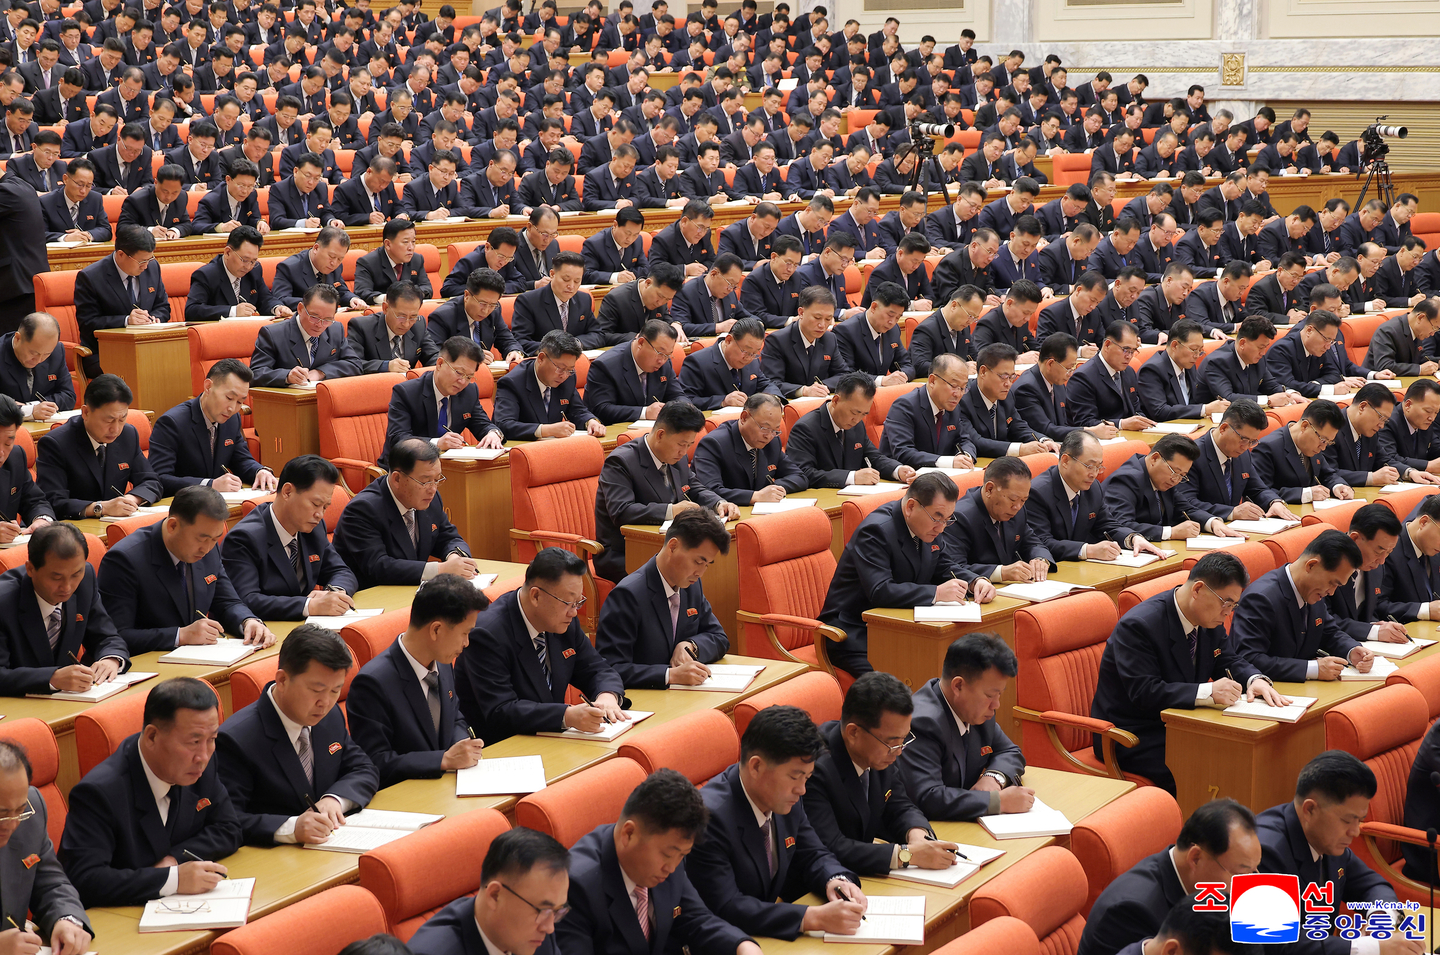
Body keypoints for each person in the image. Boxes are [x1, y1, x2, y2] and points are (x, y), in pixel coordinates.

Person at [1091, 552, 1285, 793]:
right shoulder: (1140, 626)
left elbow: (1227, 658)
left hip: (1182, 723)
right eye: (1226, 603)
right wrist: (1209, 692)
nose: (1228, 613)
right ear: (1198, 589)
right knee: (1207, 764)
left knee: (1244, 751)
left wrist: (1254, 679)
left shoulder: (1208, 619)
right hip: (1134, 734)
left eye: (1234, 605)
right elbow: (1145, 692)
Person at [688, 705, 866, 940]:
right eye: (794, 777)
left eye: (807, 777)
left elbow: (813, 853)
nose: (802, 789)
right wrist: (811, 918)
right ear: (756, 766)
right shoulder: (710, 818)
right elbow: (726, 905)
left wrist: (835, 880)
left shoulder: (784, 798)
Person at [59, 676, 240, 906]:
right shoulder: (99, 792)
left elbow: (229, 828)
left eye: (212, 739)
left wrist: (175, 860)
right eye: (193, 742)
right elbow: (84, 879)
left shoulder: (201, 764)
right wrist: (172, 880)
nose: (203, 756)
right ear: (152, 736)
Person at [559, 768, 760, 955]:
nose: (671, 868)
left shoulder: (671, 857)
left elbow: (695, 919)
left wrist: (743, 946)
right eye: (667, 854)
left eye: (682, 855)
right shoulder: (574, 887)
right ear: (629, 834)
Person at [216, 623, 379, 846]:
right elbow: (227, 821)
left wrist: (334, 800)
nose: (326, 702)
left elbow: (363, 768)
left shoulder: (329, 716)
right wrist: (291, 828)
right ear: (282, 680)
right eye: (317, 690)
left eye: (335, 690)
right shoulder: (236, 740)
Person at [456, 547, 627, 742]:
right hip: (503, 746)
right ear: (536, 596)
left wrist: (607, 696)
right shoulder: (487, 635)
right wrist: (566, 716)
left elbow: (597, 669)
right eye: (568, 602)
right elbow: (501, 710)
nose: (574, 612)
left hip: (551, 738)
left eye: (578, 602)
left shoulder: (563, 622)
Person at [803, 672, 958, 875]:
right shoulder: (814, 769)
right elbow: (831, 847)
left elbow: (899, 805)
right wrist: (906, 855)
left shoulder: (879, 753)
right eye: (892, 743)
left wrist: (917, 834)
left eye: (904, 739)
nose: (899, 751)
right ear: (853, 733)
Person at [819, 472, 971, 678]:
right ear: (911, 507)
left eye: (947, 519)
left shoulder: (928, 528)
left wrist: (975, 581)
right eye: (937, 517)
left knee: (951, 662)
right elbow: (880, 590)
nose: (942, 527)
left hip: (898, 624)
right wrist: (936, 593)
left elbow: (943, 565)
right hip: (853, 632)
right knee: (898, 682)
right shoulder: (876, 531)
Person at [1256, 750, 1404, 955]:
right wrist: (1370, 948)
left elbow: (1372, 884)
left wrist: (1380, 917)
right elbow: (1274, 943)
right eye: (1347, 820)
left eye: (1359, 820)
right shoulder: (1264, 852)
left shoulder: (1327, 839)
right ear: (1310, 810)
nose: (1355, 832)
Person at [347, 573, 488, 788]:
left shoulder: (442, 661)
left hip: (448, 786)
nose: (467, 643)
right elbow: (374, 762)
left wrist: (462, 744)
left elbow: (454, 716)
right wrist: (442, 760)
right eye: (464, 633)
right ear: (436, 630)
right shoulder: (372, 684)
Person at [98, 486, 273, 654]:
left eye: (215, 539)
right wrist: (180, 635)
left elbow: (227, 601)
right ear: (172, 526)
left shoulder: (208, 546)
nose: (207, 549)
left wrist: (247, 621)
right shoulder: (124, 560)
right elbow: (115, 637)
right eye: (201, 539)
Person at [1079, 804, 1260, 955]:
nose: (1250, 884)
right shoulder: (1131, 912)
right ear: (1196, 858)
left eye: (1254, 871)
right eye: (1241, 874)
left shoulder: (1202, 890)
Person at [594, 400, 736, 582]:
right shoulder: (621, 462)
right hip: (624, 553)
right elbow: (621, 511)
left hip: (670, 546)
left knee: (707, 562)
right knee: (691, 566)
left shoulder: (677, 457)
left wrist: (718, 502)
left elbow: (693, 486)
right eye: (681, 444)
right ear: (660, 434)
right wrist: (671, 511)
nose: (684, 452)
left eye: (689, 445)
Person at [896, 633, 1030, 819]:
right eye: (990, 695)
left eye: (999, 694)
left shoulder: (977, 711)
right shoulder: (922, 722)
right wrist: (997, 801)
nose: (996, 704)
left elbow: (1010, 751)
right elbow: (928, 797)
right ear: (958, 686)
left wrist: (993, 778)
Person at [595, 507, 730, 690]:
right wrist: (669, 675)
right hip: (645, 698)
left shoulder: (691, 586)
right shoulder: (628, 595)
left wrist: (690, 645)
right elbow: (610, 668)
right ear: (672, 547)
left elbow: (719, 638)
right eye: (698, 562)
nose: (700, 572)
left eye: (707, 565)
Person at [220, 455, 358, 621]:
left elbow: (341, 571)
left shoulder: (314, 528)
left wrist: (335, 593)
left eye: (325, 507)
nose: (320, 514)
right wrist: (310, 606)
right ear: (287, 492)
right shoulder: (244, 538)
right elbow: (246, 600)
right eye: (315, 504)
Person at [333, 438, 475, 591]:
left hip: (411, 591)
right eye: (425, 481)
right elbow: (378, 566)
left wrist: (455, 558)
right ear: (397, 479)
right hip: (372, 596)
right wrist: (440, 570)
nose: (433, 489)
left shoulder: (430, 500)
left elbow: (448, 537)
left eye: (437, 479)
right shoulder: (363, 510)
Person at [1231, 530, 1372, 683]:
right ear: (1311, 565)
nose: (1331, 592)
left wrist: (1351, 650)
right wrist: (1313, 669)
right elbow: (1248, 659)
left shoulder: (1313, 589)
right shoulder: (1260, 599)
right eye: (1332, 583)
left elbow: (1329, 632)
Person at [407, 827, 569, 955]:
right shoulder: (432, 952)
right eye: (542, 910)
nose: (550, 928)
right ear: (495, 895)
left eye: (556, 912)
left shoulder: (538, 936)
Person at [36, 373, 161, 520]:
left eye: (122, 419)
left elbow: (151, 481)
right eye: (109, 420)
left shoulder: (128, 434)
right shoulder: (56, 443)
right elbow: (53, 502)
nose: (116, 429)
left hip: (115, 522)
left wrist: (130, 500)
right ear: (86, 412)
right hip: (75, 525)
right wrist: (101, 508)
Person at [1028, 430, 1161, 562]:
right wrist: (1089, 550)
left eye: (1099, 467)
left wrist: (1132, 538)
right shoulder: (1037, 493)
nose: (1094, 474)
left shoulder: (1093, 487)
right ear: (1065, 461)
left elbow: (1107, 525)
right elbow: (1041, 543)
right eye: (1089, 466)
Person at [148, 358, 275, 496]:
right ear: (208, 387)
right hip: (183, 503)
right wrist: (210, 485)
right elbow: (159, 478)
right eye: (229, 398)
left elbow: (241, 460)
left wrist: (259, 471)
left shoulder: (232, 420)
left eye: (240, 402)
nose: (232, 408)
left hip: (218, 502)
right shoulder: (171, 423)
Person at [383, 336, 503, 466]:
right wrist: (437, 443)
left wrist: (493, 434)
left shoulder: (469, 391)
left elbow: (483, 425)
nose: (463, 381)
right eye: (459, 372)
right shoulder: (406, 392)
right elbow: (399, 439)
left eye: (469, 377)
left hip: (449, 468)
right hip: (406, 468)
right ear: (440, 364)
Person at [1178, 399, 1294, 532]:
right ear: (1223, 428)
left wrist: (1274, 502)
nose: (1246, 447)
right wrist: (1231, 512)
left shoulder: (1242, 454)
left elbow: (1257, 489)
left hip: (1234, 530)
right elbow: (1187, 503)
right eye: (1243, 439)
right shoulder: (1192, 456)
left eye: (1252, 441)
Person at [787, 373, 915, 490]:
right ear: (836, 400)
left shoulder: (857, 425)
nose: (857, 420)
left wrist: (898, 470)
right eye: (854, 412)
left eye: (864, 414)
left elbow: (874, 457)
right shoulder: (805, 428)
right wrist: (852, 477)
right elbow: (804, 473)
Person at [73, 224, 168, 377]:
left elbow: (163, 306)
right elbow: (87, 324)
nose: (145, 266)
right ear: (121, 254)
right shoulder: (91, 277)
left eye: (150, 259)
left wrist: (154, 318)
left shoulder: (152, 267)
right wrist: (126, 321)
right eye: (141, 261)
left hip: (147, 347)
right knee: (140, 368)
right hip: (105, 353)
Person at [944, 456, 1055, 586]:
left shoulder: (1018, 511)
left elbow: (1032, 542)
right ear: (989, 489)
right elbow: (953, 569)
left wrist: (1040, 558)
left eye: (1023, 500)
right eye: (1013, 499)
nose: (1017, 507)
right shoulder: (960, 517)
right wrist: (1002, 572)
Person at [492, 330, 607, 442]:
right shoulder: (512, 383)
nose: (564, 375)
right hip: (524, 447)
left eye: (570, 370)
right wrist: (545, 430)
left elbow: (577, 411)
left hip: (555, 446)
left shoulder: (568, 378)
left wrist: (590, 421)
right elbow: (504, 425)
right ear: (541, 358)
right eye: (560, 368)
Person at [1102, 435, 1212, 544]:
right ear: (1155, 458)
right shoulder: (1125, 480)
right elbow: (1121, 526)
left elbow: (1186, 509)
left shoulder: (1165, 478)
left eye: (1182, 475)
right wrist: (1171, 532)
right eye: (1174, 472)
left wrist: (1211, 522)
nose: (1176, 480)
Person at [878, 354, 978, 470]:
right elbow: (904, 453)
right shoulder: (904, 406)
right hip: (903, 476)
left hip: (939, 475)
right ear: (932, 381)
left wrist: (965, 456)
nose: (958, 394)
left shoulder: (952, 407)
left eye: (963, 388)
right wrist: (949, 462)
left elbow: (964, 440)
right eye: (954, 386)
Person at [248, 286, 363, 387]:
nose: (319, 325)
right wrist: (287, 376)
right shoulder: (273, 334)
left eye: (327, 319)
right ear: (300, 309)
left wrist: (320, 372)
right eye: (314, 317)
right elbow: (255, 374)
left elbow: (355, 364)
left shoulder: (335, 329)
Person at [1326, 504, 1408, 644]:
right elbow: (1323, 621)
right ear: (1354, 539)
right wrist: (1372, 631)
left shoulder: (1376, 567)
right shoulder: (1327, 564)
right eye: (1378, 552)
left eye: (1388, 552)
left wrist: (1378, 625)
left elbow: (1369, 612)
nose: (1382, 561)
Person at [959, 344, 1057, 458]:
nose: (1008, 384)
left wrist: (1043, 441)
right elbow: (976, 441)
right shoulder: (963, 400)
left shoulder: (1007, 396)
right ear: (983, 372)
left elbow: (1018, 426)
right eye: (1003, 376)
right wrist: (1020, 449)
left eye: (1012, 377)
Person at [584, 320, 689, 425]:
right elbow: (602, 409)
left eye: (668, 355)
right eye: (660, 353)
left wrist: (684, 409)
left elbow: (677, 395)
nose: (662, 361)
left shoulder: (664, 363)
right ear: (641, 342)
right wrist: (645, 413)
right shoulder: (605, 365)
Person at [758, 286, 852, 399]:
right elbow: (771, 383)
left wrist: (819, 387)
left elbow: (844, 375)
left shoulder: (829, 338)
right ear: (801, 312)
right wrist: (803, 390)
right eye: (817, 317)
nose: (822, 325)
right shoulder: (777, 340)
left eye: (828, 319)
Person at [1252, 399, 1351, 504]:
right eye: (1323, 440)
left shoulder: (1313, 443)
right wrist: (1306, 494)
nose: (1323, 448)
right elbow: (1261, 492)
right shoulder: (1268, 448)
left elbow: (1327, 474)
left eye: (1329, 442)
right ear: (1305, 426)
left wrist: (1338, 486)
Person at [1066, 320, 1154, 430]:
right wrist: (1121, 424)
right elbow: (1085, 422)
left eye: (1133, 351)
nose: (1129, 356)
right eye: (1125, 350)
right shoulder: (1083, 377)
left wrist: (1144, 422)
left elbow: (1136, 409)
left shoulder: (1129, 372)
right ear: (1107, 345)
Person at [679, 319, 783, 411]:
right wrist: (723, 401)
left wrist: (774, 398)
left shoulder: (753, 360)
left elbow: (766, 384)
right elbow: (685, 401)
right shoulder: (697, 362)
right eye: (745, 351)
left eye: (754, 353)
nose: (748, 358)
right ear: (728, 340)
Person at [1137, 320, 1229, 422]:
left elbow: (1195, 401)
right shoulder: (1152, 370)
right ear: (1175, 345)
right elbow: (1160, 412)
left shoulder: (1188, 365)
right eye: (1194, 349)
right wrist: (1205, 409)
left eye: (1200, 350)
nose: (1197, 356)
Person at [511, 251, 603, 352]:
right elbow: (520, 341)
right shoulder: (528, 301)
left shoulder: (584, 299)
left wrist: (575, 343)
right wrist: (557, 349)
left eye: (577, 281)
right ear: (552, 274)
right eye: (566, 279)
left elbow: (597, 334)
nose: (571, 286)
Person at [346, 282, 439, 374]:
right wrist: (386, 366)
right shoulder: (361, 327)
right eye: (401, 316)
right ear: (385, 308)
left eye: (413, 317)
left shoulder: (418, 325)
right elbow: (353, 365)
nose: (406, 324)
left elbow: (433, 356)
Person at [1378, 492, 1440, 623]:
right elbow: (1378, 607)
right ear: (1424, 522)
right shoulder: (1387, 552)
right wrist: (1426, 610)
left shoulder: (1434, 546)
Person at [0, 312, 75, 421]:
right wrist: (29, 411)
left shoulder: (57, 351)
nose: (39, 360)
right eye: (33, 353)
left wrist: (36, 407)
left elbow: (69, 396)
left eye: (47, 354)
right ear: (17, 338)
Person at [1325, 383, 1403, 487]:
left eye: (1385, 421)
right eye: (1381, 418)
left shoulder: (1369, 431)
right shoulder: (1331, 429)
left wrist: (1409, 472)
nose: (1381, 426)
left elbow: (1384, 460)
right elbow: (1328, 473)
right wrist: (1371, 478)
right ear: (1362, 407)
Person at [0, 178, 50, 334]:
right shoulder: (23, 185)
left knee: (13, 342)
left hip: (14, 287)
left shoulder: (7, 192)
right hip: (27, 281)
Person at [354, 218, 435, 304]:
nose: (411, 247)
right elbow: (362, 293)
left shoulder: (416, 259)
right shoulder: (368, 263)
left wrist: (411, 296)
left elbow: (427, 288)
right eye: (405, 242)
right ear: (388, 244)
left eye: (413, 241)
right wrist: (391, 298)